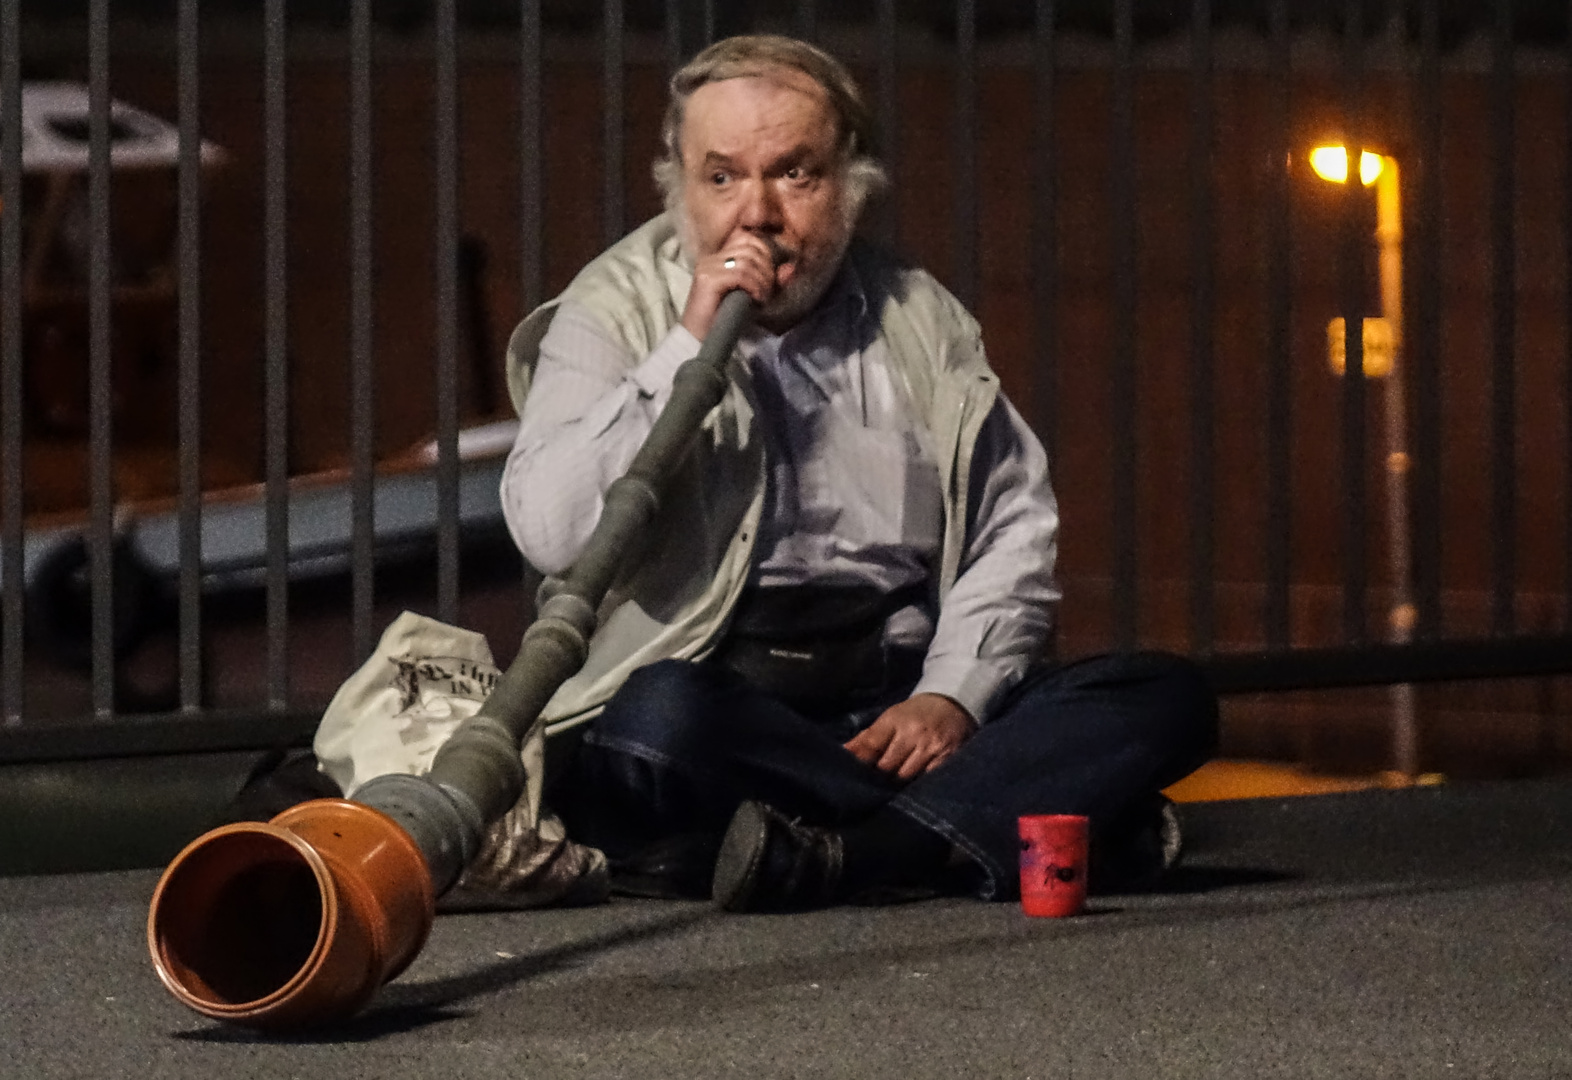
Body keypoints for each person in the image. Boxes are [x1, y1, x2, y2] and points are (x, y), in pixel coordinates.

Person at [499, 34, 1216, 912]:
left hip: (897, 696)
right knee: (653, 727)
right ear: (678, 187)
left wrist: (951, 698)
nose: (755, 214)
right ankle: (987, 829)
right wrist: (685, 351)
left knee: (1166, 696)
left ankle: (842, 854)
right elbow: (552, 529)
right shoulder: (611, 309)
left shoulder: (919, 316)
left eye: (793, 174)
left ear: (851, 185)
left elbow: (1012, 527)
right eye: (721, 178)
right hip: (719, 695)